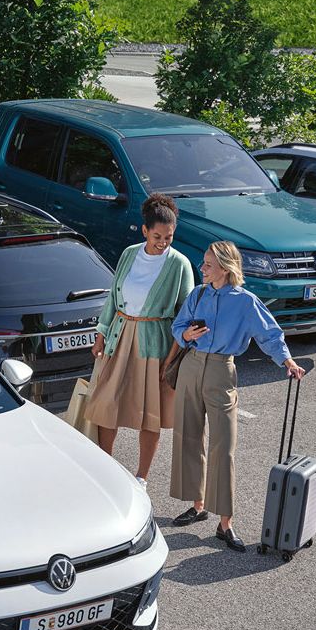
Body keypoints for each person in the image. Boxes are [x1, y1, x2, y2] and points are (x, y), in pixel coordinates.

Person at [169, 240, 306, 551]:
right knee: (188, 436)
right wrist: (185, 334)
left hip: (221, 371)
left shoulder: (246, 302)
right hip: (191, 367)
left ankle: (225, 523)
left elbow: (270, 334)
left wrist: (287, 361)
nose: (201, 268)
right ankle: (198, 504)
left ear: (225, 268)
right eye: (202, 263)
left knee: (224, 447)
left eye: (207, 264)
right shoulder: (198, 293)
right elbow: (178, 326)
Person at [85, 193, 195, 485]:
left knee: (150, 413)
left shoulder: (179, 264)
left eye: (169, 236)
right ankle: (105, 468)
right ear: (144, 230)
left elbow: (185, 312)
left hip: (154, 343)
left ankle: (141, 478)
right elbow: (113, 297)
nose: (163, 241)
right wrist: (101, 332)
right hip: (119, 337)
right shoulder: (129, 254)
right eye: (157, 235)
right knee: (106, 405)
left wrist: (174, 354)